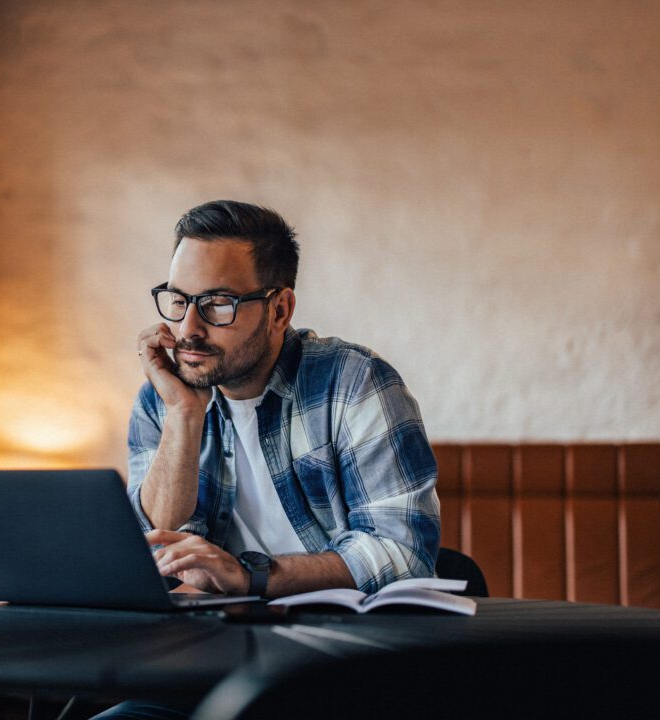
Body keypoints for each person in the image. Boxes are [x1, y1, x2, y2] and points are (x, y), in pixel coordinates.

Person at [92, 200, 440, 720]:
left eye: (217, 304)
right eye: (178, 300)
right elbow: (151, 544)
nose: (188, 328)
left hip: (339, 671)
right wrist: (184, 416)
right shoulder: (164, 398)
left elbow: (402, 552)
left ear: (279, 310)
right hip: (200, 667)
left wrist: (249, 575)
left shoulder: (353, 384)